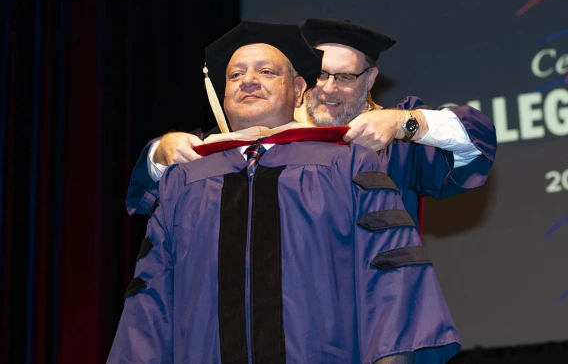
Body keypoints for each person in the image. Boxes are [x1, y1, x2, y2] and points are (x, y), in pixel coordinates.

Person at [108, 21, 461, 363]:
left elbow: (393, 278)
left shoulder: (351, 165)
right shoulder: (185, 181)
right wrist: (161, 148)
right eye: (235, 75)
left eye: (266, 72)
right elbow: (150, 301)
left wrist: (404, 121)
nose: (248, 80)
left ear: (298, 90)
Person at [126, 18, 497, 233]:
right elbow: (152, 185)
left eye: (346, 77)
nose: (329, 89)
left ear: (369, 80)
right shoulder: (258, 140)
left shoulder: (391, 143)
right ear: (300, 80)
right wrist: (162, 149)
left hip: (370, 310)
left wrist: (406, 122)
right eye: (319, 75)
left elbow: (474, 139)